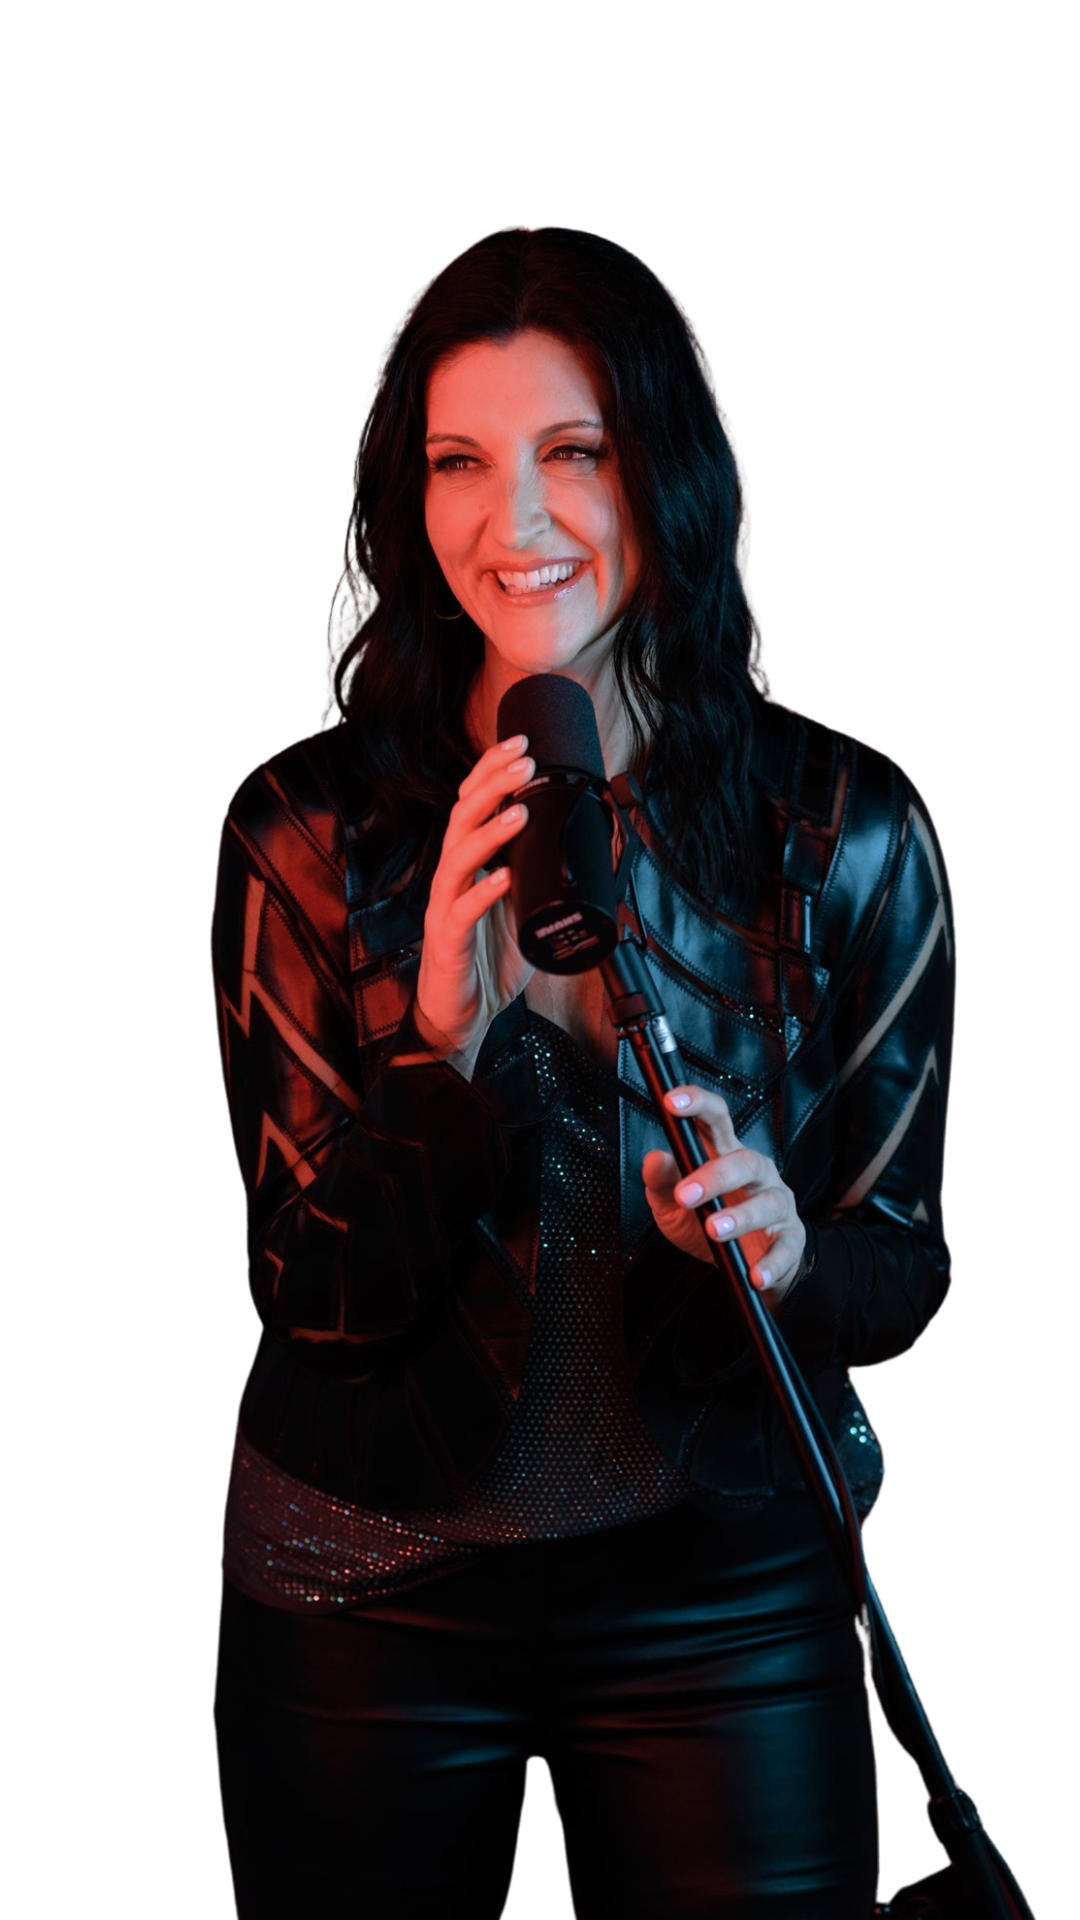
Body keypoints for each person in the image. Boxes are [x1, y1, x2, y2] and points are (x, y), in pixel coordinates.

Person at [211, 225, 956, 1919]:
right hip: (362, 1588)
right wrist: (436, 1058)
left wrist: (782, 1251)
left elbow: (902, 1269)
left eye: (575, 451)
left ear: (663, 471)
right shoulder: (301, 836)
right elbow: (303, 1296)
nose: (515, 522)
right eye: (458, 463)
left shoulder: (844, 831)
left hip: (726, 1582)